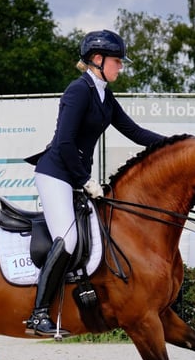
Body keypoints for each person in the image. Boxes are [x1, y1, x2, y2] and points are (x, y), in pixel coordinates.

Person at [24, 29, 165, 338]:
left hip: (74, 175)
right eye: (117, 61)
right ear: (97, 60)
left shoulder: (103, 94)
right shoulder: (78, 91)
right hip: (56, 174)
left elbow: (135, 132)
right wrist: (85, 180)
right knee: (69, 239)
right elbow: (63, 143)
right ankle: (38, 315)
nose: (121, 67)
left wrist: (178, 145)